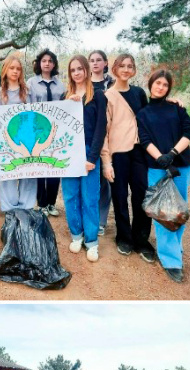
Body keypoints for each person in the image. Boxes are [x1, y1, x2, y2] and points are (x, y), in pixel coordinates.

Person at [137, 69, 190, 283]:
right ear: (151, 83)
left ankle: (175, 247)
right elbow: (144, 139)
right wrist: (160, 157)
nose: (160, 87)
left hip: (181, 166)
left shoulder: (177, 108)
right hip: (157, 167)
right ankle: (170, 259)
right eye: (157, 83)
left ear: (169, 88)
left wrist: (172, 154)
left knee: (179, 211)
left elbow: (189, 131)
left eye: (165, 85)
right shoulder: (143, 113)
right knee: (163, 212)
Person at [101, 53, 156, 262]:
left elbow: (150, 117)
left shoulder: (139, 93)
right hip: (118, 153)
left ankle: (141, 239)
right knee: (120, 196)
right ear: (114, 69)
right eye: (122, 66)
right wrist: (107, 162)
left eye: (130, 66)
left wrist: (172, 101)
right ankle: (123, 237)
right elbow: (104, 131)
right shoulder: (107, 96)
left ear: (133, 70)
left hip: (139, 152)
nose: (126, 69)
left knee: (141, 196)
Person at [61, 55, 107, 262]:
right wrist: (67, 104)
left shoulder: (97, 96)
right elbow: (58, 127)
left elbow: (100, 129)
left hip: (89, 151)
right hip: (68, 152)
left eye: (80, 68)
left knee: (90, 197)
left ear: (87, 70)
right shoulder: (65, 96)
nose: (77, 73)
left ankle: (91, 241)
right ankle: (76, 235)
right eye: (73, 70)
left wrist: (92, 157)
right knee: (70, 195)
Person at [0, 54, 37, 212]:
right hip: (7, 139)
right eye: (12, 68)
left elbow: (35, 114)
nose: (15, 71)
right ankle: (9, 208)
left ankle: (27, 206)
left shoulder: (28, 91)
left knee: (28, 173)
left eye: (18, 69)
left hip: (27, 139)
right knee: (8, 173)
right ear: (5, 70)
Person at [26, 49, 64, 217]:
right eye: (43, 60)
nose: (47, 63)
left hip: (56, 130)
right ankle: (41, 203)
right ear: (39, 63)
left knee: (55, 167)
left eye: (50, 60)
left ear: (54, 64)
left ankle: (51, 203)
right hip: (38, 130)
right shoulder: (31, 83)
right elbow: (27, 106)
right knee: (41, 167)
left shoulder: (60, 84)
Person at [89, 50, 114, 234]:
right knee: (92, 178)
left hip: (112, 136)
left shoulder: (113, 84)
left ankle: (101, 220)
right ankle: (89, 216)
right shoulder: (84, 84)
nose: (95, 63)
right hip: (91, 136)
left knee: (106, 179)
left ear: (105, 63)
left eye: (99, 60)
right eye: (92, 60)